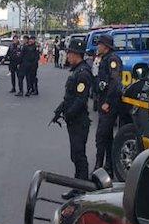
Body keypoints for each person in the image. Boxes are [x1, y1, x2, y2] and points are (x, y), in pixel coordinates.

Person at [51, 37, 94, 198]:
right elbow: (70, 97)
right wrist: (60, 110)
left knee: (79, 155)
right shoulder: (76, 71)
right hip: (74, 121)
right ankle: (78, 186)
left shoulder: (83, 73)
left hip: (79, 121)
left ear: (76, 54)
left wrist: (68, 113)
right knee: (75, 155)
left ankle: (82, 188)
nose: (67, 56)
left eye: (69, 53)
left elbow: (80, 100)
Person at [93, 34, 124, 177]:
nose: (97, 46)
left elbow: (115, 82)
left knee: (101, 136)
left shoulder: (113, 60)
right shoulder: (104, 59)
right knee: (106, 137)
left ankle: (99, 167)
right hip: (103, 101)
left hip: (110, 103)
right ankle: (108, 167)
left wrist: (108, 102)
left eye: (99, 44)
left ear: (105, 46)